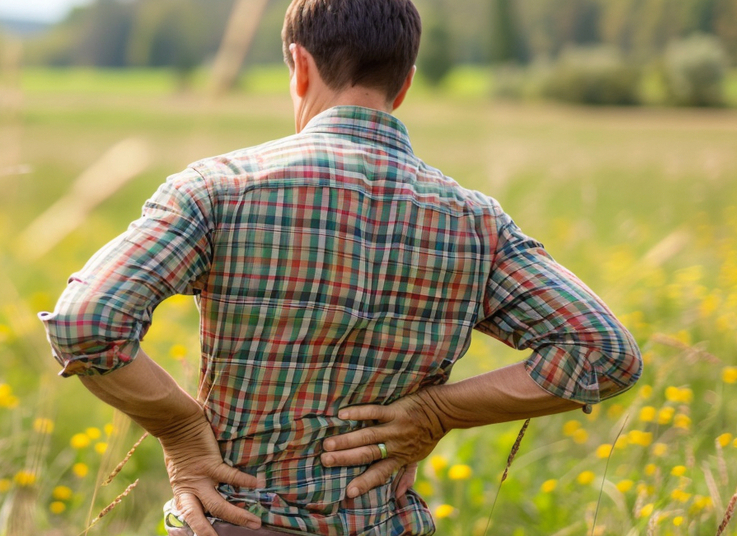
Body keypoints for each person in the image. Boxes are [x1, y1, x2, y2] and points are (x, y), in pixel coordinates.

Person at [37, 0, 643, 534]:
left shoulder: (219, 189)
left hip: (235, 523)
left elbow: (87, 323)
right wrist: (438, 412)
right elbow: (604, 352)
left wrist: (182, 436)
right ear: (404, 85)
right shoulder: (477, 222)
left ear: (298, 66)